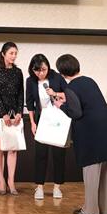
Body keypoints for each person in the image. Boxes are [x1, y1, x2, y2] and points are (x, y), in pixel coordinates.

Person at [55, 54, 107, 214]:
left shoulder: (71, 87)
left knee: (91, 172)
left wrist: (60, 105)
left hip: (91, 133)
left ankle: (91, 210)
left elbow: (76, 112)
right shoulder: (90, 81)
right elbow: (86, 101)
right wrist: (66, 98)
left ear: (62, 73)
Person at [26, 53, 67, 200]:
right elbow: (30, 103)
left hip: (58, 119)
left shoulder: (56, 77)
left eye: (43, 69)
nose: (41, 73)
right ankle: (39, 187)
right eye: (37, 70)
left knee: (58, 154)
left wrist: (55, 93)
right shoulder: (30, 81)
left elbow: (68, 94)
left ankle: (57, 187)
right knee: (40, 154)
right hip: (41, 119)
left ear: (48, 67)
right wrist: (32, 122)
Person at [0, 42, 24, 195]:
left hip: (14, 113)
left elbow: (21, 94)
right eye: (11, 53)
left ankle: (11, 181)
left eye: (15, 53)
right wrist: (3, 113)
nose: (13, 56)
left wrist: (19, 112)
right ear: (3, 54)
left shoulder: (18, 72)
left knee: (13, 148)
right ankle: (1, 180)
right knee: (0, 147)